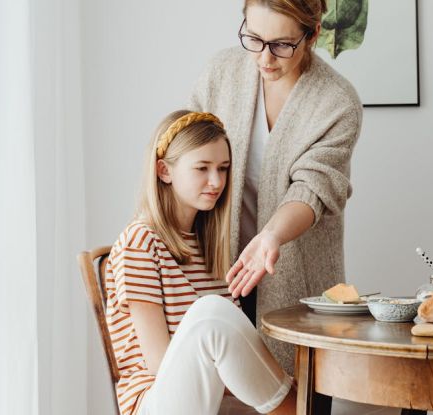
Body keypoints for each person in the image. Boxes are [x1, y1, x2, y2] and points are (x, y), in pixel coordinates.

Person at [187, 0, 363, 373]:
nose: (265, 58)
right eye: (253, 38)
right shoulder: (221, 72)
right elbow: (186, 157)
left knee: (291, 389)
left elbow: (313, 188)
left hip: (294, 274)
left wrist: (270, 237)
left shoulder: (336, 101)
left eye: (282, 45)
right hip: (216, 266)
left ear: (312, 34)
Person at [104, 110, 296, 415]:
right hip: (156, 401)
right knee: (210, 313)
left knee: (357, 405)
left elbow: (233, 356)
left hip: (211, 397)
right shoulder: (139, 242)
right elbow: (159, 363)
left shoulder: (208, 244)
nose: (216, 181)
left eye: (223, 168)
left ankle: (297, 404)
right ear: (164, 171)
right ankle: (295, 408)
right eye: (202, 168)